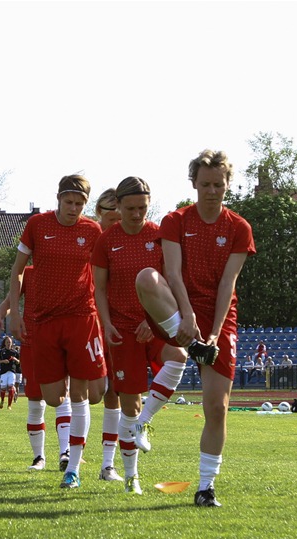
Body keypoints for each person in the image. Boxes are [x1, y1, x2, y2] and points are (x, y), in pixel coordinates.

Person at [135, 150, 255, 507]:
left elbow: (227, 285)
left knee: (217, 408)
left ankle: (206, 488)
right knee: (146, 277)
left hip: (218, 318)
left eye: (219, 184)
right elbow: (171, 273)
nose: (212, 191)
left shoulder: (239, 228)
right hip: (177, 308)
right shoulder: (175, 220)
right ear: (194, 184)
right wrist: (186, 318)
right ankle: (189, 343)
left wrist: (214, 333)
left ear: (228, 185)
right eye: (205, 184)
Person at [7, 174, 106, 490]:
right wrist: (14, 312)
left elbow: (104, 276)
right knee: (52, 397)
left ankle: (72, 468)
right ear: (58, 199)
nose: (73, 209)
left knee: (81, 396)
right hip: (44, 321)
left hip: (81, 317)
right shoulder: (38, 225)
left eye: (79, 204)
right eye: (69, 202)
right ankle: (57, 453)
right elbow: (18, 271)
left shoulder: (92, 231)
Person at [92, 177, 189, 494]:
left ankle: (144, 421)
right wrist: (106, 324)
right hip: (123, 330)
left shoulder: (159, 236)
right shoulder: (106, 242)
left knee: (179, 356)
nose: (137, 214)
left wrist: (158, 317)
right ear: (118, 206)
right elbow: (100, 289)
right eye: (130, 208)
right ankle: (132, 477)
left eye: (143, 208)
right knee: (128, 403)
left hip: (155, 324)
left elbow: (171, 282)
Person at [0, 265, 71, 471]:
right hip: (31, 342)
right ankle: (39, 458)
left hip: (58, 342)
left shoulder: (65, 268)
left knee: (63, 396)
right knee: (35, 401)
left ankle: (66, 452)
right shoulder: (28, 272)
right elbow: (10, 301)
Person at [91, 189, 125, 482]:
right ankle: (67, 452)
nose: (117, 224)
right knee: (91, 393)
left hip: (116, 324)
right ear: (99, 215)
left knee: (116, 393)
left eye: (120, 218)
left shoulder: (131, 241)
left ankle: (107, 464)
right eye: (111, 218)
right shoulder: (87, 239)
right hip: (86, 324)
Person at [0, 335, 21, 410]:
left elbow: (19, 362)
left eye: (10, 342)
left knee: (11, 386)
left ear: (12, 343)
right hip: (3, 372)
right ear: (5, 343)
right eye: (7, 342)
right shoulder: (2, 352)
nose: (9, 343)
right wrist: (3, 361)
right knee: (3, 387)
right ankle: (2, 400)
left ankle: (9, 405)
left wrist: (15, 359)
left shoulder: (15, 352)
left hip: (12, 371)